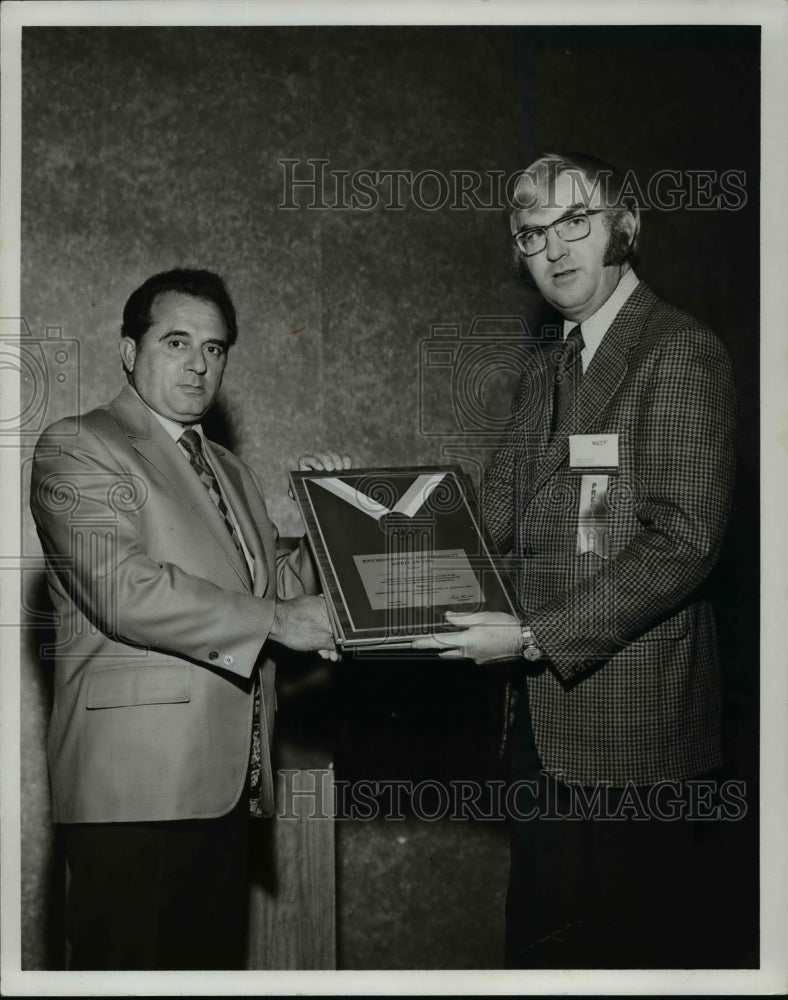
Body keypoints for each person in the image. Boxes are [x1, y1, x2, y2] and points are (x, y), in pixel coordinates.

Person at [414, 153, 737, 967]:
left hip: (636, 736)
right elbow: (489, 523)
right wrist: (356, 508)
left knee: (626, 962)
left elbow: (684, 541)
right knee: (544, 952)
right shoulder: (546, 370)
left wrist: (530, 638)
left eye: (574, 223)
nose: (555, 249)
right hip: (540, 730)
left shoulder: (680, 352)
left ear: (626, 223)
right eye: (532, 234)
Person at [30, 268, 349, 970]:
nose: (200, 363)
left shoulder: (228, 469)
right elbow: (125, 589)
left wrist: (335, 526)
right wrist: (279, 620)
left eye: (216, 347)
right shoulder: (76, 446)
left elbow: (272, 588)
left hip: (225, 785)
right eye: (177, 341)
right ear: (127, 350)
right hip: (133, 792)